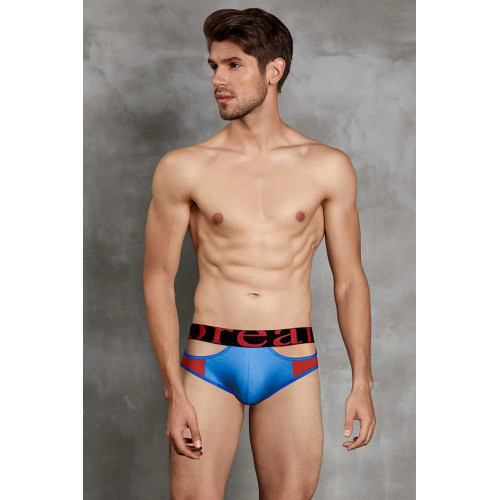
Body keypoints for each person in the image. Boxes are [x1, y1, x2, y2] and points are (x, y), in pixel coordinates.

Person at [143, 7, 376, 499]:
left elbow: (349, 280)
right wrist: (174, 392)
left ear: (274, 70)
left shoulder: (327, 167)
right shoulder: (185, 168)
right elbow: (158, 278)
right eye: (214, 66)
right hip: (209, 361)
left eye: (233, 65)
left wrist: (362, 381)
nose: (218, 80)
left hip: (291, 362)